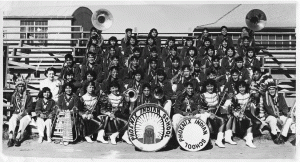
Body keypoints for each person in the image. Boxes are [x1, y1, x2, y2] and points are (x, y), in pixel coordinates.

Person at [229, 81, 261, 148]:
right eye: (240, 87)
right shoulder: (236, 97)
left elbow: (256, 100)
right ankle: (249, 141)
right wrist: (237, 114)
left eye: (243, 87)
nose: (242, 89)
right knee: (249, 120)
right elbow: (233, 109)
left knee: (258, 122)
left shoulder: (248, 95)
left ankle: (246, 134)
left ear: (246, 87)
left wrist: (254, 93)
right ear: (237, 88)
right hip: (238, 115)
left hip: (247, 113)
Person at [199, 79, 229, 148]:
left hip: (216, 113)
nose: (210, 88)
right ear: (205, 87)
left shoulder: (216, 95)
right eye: (208, 86)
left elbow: (219, 105)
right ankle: (206, 140)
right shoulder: (202, 96)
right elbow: (201, 109)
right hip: (206, 114)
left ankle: (219, 140)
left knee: (223, 120)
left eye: (211, 86)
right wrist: (209, 114)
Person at [7, 77, 33, 147]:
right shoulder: (14, 96)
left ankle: (18, 137)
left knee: (23, 121)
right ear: (17, 87)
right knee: (12, 119)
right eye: (19, 86)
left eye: (22, 86)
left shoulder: (28, 96)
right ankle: (10, 138)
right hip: (17, 113)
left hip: (26, 114)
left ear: (24, 87)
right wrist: (16, 114)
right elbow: (13, 107)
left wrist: (23, 113)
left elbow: (30, 107)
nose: (21, 88)